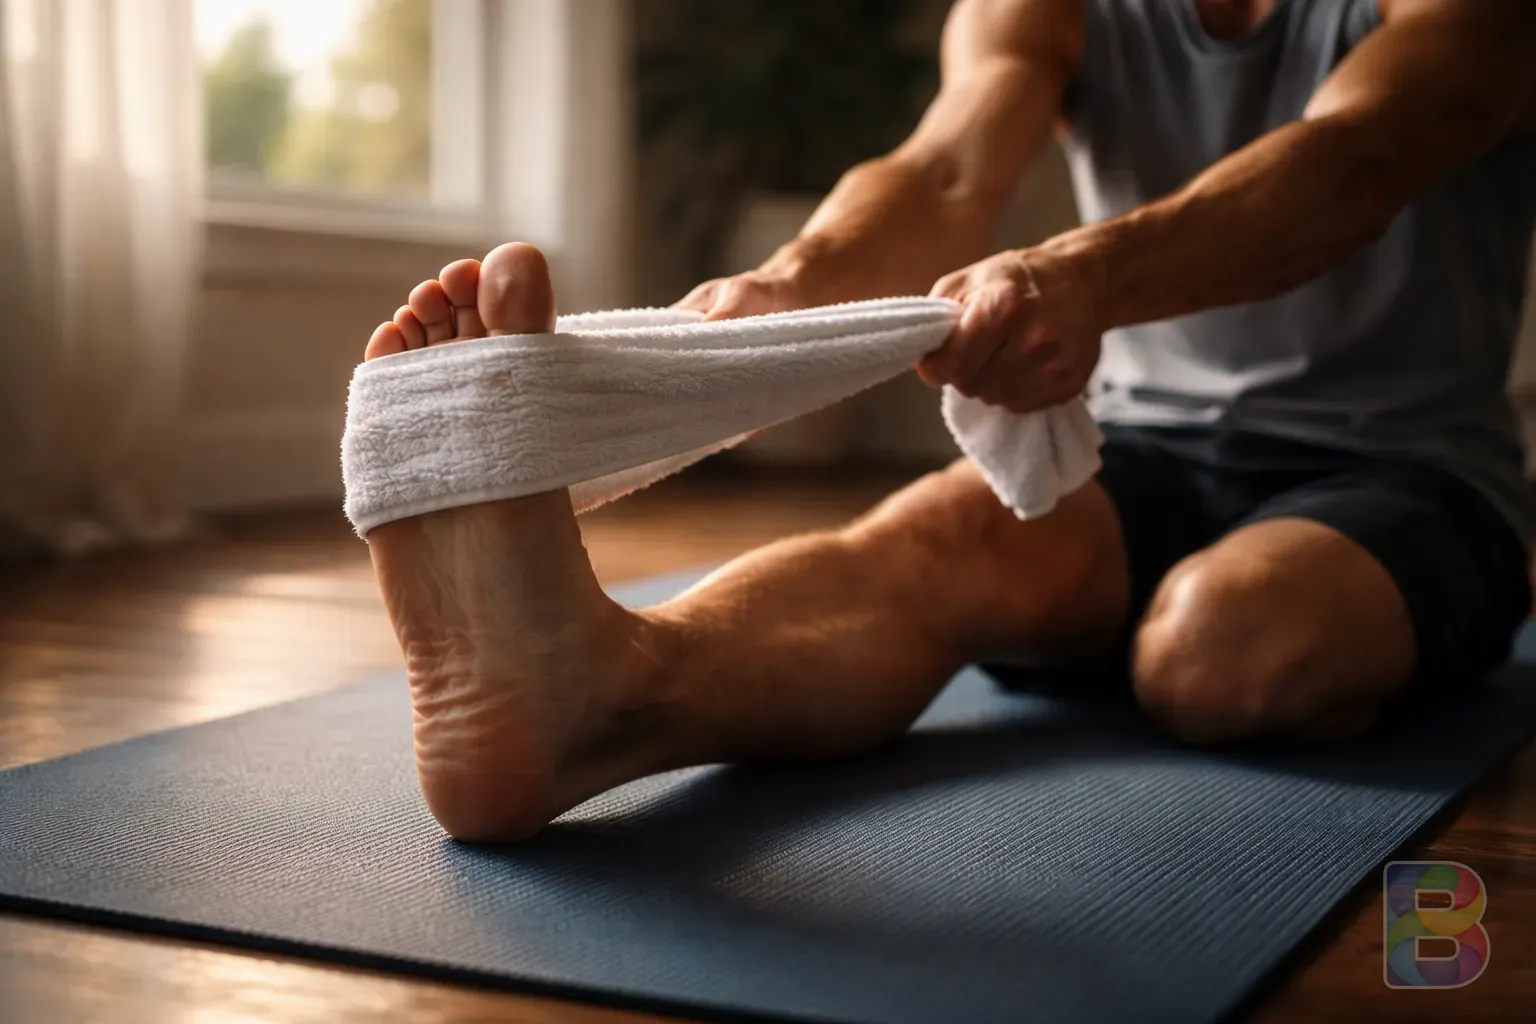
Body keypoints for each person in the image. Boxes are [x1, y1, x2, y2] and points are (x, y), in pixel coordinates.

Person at [359, 0, 1536, 842]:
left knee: (1217, 641)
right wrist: (791, 280)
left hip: (1409, 472)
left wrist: (1087, 274)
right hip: (1142, 452)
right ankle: (592, 695)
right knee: (921, 545)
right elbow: (943, 169)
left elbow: (1350, 164)